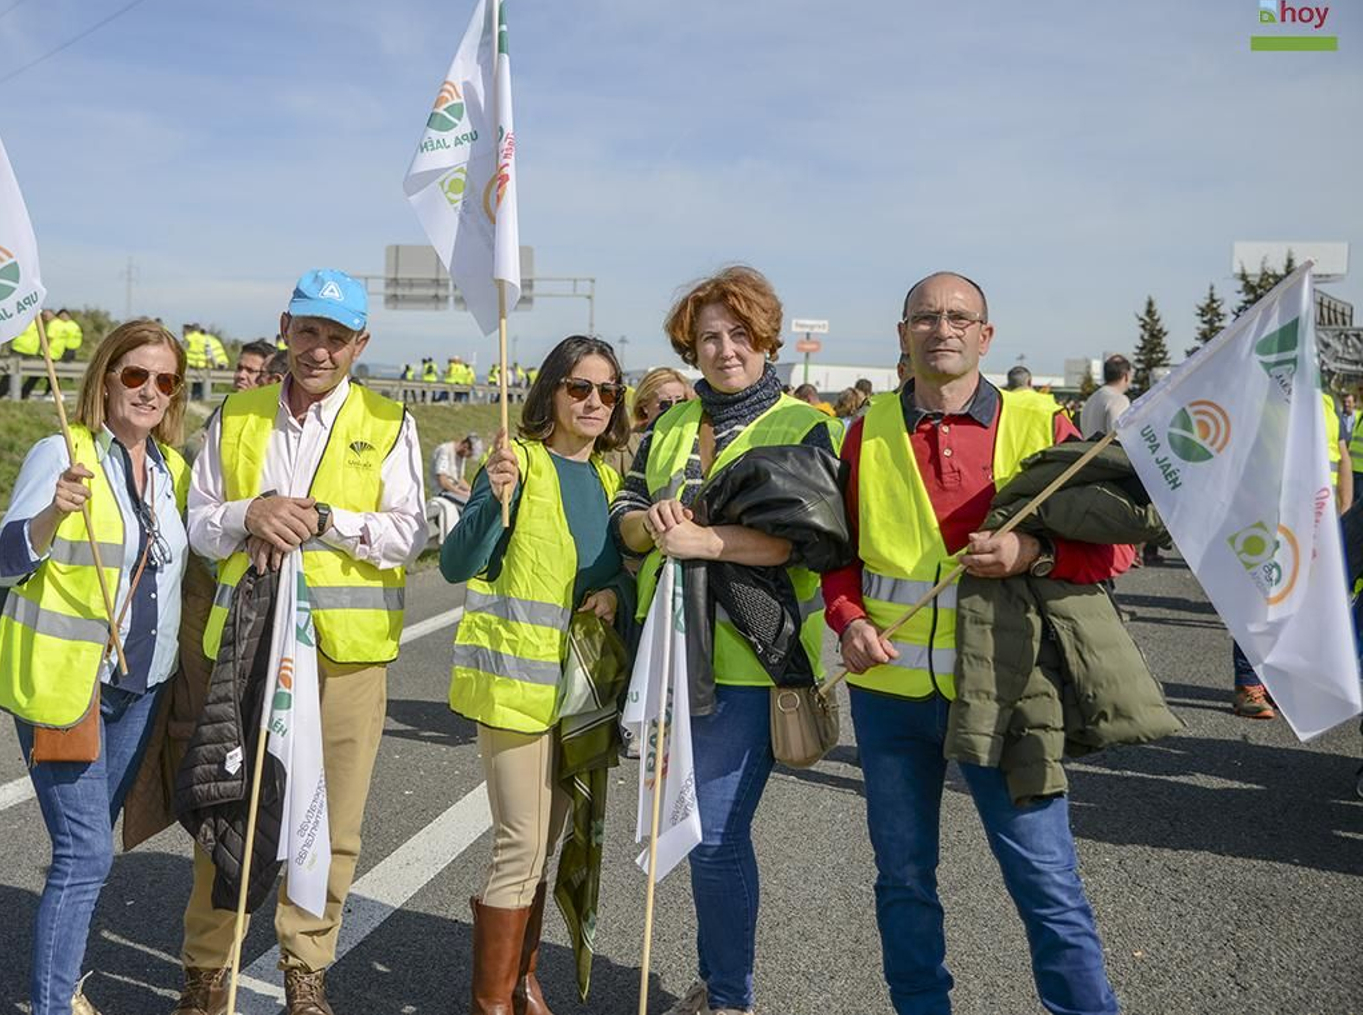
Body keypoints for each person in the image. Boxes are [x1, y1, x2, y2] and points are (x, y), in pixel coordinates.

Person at [823, 271, 1125, 1015]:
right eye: (925, 317)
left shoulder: (1040, 423)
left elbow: (1113, 552)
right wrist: (848, 619)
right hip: (891, 701)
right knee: (902, 882)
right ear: (903, 336)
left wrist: (1031, 556)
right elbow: (838, 557)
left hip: (1012, 693)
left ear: (986, 336)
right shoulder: (867, 429)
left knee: (1046, 883)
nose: (943, 328)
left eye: (960, 317)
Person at [176, 268, 428, 1015]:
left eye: (338, 337)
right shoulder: (240, 413)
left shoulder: (390, 423)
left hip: (344, 656)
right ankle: (206, 971)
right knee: (227, 805)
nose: (320, 350)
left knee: (331, 822)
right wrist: (250, 513)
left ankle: (305, 968)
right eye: (309, 332)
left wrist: (326, 520)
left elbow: (408, 533)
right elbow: (196, 519)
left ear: (360, 343)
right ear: (285, 328)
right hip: (247, 646)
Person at [610, 266, 834, 1015]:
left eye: (739, 334)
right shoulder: (671, 422)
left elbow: (801, 544)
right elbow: (628, 514)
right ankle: (712, 981)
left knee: (713, 834)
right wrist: (656, 525)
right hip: (669, 656)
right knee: (688, 829)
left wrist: (707, 540)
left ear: (766, 339)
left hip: (751, 663)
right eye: (709, 337)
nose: (725, 349)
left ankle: (730, 996)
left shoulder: (806, 425)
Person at [0, 319, 191, 1015]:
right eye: (136, 375)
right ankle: (52, 1003)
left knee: (86, 850)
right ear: (105, 377)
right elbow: (2, 562)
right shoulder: (63, 451)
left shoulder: (172, 470)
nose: (151, 391)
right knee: (85, 857)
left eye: (166, 380)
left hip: (141, 690)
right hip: (67, 687)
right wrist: (48, 515)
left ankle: (60, 977)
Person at [441, 335, 633, 1014]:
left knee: (550, 843)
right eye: (579, 388)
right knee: (520, 843)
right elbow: (456, 565)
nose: (593, 403)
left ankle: (522, 980)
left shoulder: (611, 480)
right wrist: (493, 503)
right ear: (551, 390)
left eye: (608, 392)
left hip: (579, 693)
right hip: (514, 688)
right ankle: (492, 1003)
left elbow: (618, 577)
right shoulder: (515, 462)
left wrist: (614, 595)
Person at [1233, 389, 1355, 718]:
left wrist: (1345, 505)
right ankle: (1248, 683)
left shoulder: (1326, 403)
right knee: (1261, 598)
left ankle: (1277, 682)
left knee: (1301, 604)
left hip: (1319, 518)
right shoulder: (1264, 399)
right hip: (1275, 515)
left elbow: (1341, 457)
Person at [1079, 354, 1132, 438]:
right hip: (1108, 451)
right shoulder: (1119, 400)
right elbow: (1118, 438)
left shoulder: (1092, 399)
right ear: (1126, 376)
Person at [0, 318, 45, 399]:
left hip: (31, 351)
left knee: (34, 373)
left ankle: (22, 393)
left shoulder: (37, 321)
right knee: (11, 373)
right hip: (18, 349)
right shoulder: (21, 320)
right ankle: (0, 393)